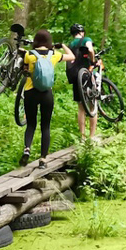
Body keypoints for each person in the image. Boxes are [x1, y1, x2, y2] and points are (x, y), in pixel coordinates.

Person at [20, 29, 74, 167]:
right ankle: (43, 160)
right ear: (49, 41)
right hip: (46, 94)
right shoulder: (54, 55)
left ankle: (27, 149)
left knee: (31, 124)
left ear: (36, 40)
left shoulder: (29, 55)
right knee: (45, 126)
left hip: (30, 92)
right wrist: (62, 45)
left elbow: (24, 69)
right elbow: (72, 56)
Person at [66, 23, 99, 142]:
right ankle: (92, 136)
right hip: (86, 75)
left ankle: (82, 137)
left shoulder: (70, 45)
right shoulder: (86, 39)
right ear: (82, 32)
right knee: (92, 105)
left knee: (81, 107)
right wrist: (93, 60)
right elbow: (90, 49)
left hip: (75, 76)